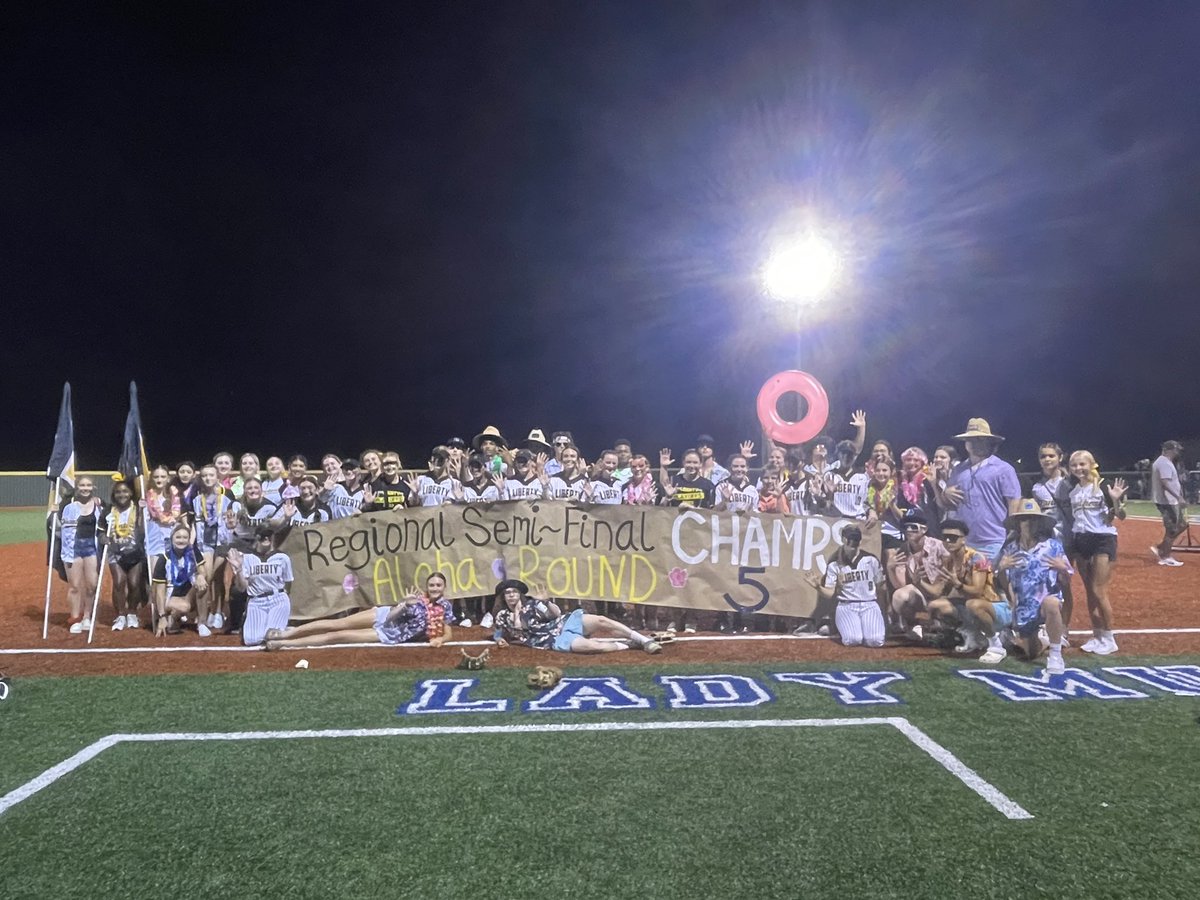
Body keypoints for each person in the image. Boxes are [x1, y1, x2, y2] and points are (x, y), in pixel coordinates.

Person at [265, 573, 455, 650]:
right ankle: (288, 633)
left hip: (389, 634)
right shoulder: (416, 598)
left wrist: (440, 639)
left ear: (444, 587)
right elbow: (389, 616)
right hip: (383, 616)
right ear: (427, 586)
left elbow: (448, 632)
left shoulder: (445, 606)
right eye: (432, 585)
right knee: (336, 623)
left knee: (338, 636)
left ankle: (282, 643)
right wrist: (404, 604)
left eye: (438, 585)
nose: (435, 588)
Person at [995, 499, 1073, 675]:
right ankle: (1043, 640)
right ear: (1018, 524)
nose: (1028, 523)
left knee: (1051, 604)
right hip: (1023, 607)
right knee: (1029, 653)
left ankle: (1055, 654)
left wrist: (1063, 570)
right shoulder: (1010, 549)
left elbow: (1066, 582)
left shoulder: (1053, 546)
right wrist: (1001, 569)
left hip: (1045, 603)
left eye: (1033, 519)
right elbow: (1002, 580)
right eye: (1024, 519)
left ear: (1039, 522)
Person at [492, 579, 661, 654]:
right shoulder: (503, 615)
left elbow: (555, 614)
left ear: (520, 594)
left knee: (601, 620)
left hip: (564, 623)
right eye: (507, 593)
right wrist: (499, 638)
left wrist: (547, 601)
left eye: (514, 592)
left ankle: (644, 640)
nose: (511, 595)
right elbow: (498, 632)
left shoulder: (532, 604)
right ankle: (630, 645)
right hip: (551, 641)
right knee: (593, 647)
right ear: (503, 597)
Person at [925, 518, 1009, 663]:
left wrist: (957, 584)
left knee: (973, 604)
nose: (948, 541)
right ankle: (973, 636)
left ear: (963, 539)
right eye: (945, 537)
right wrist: (918, 582)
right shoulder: (948, 561)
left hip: (994, 607)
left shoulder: (977, 558)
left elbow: (977, 591)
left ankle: (996, 645)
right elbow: (937, 592)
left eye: (953, 538)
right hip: (972, 606)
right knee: (934, 606)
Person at [1068, 450, 1127, 656]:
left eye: (1082, 464)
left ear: (1092, 464)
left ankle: (1110, 637)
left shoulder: (1104, 486)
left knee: (1098, 590)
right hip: (1081, 540)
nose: (1078, 468)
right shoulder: (1073, 490)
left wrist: (1116, 500)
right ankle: (1097, 634)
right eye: (1074, 465)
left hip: (1102, 539)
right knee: (1089, 591)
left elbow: (1121, 516)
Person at [941, 418, 1021, 564]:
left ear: (989, 442)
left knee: (996, 583)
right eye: (972, 440)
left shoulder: (1004, 469)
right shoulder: (958, 471)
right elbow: (946, 504)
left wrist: (1012, 535)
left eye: (981, 439)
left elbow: (1014, 503)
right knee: (968, 584)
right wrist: (945, 493)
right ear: (966, 443)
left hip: (995, 540)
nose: (976, 443)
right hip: (965, 541)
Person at [803, 525, 886, 648]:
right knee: (852, 640)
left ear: (859, 540)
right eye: (849, 539)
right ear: (843, 539)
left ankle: (865, 627)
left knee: (875, 641)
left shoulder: (871, 560)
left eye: (855, 539)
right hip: (847, 605)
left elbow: (881, 587)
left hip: (869, 604)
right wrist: (818, 587)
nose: (852, 543)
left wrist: (882, 613)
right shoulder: (834, 564)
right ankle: (843, 626)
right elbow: (830, 594)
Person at [1029, 443, 1076, 640]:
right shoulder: (1037, 488)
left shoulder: (1070, 484)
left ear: (1060, 458)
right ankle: (1047, 625)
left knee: (1064, 583)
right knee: (1046, 585)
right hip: (1047, 543)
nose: (1047, 460)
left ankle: (1064, 627)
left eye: (1051, 456)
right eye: (1043, 456)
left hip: (1067, 541)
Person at [190, 463, 239, 633]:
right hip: (205, 542)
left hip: (223, 541)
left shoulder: (228, 495)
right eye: (204, 476)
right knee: (206, 577)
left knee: (218, 577)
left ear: (217, 477)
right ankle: (202, 621)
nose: (208, 478)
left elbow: (233, 520)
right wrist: (192, 544)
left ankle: (217, 612)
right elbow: (194, 523)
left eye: (211, 475)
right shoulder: (196, 498)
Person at [887, 513, 950, 641]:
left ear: (924, 530)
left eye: (913, 527)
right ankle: (916, 625)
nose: (909, 530)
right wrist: (890, 569)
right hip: (921, 594)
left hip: (944, 593)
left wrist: (920, 583)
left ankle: (942, 624)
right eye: (906, 527)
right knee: (899, 596)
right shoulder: (903, 549)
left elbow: (942, 586)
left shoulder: (939, 547)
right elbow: (900, 586)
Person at [227, 528, 294, 646]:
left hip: (277, 599)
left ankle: (284, 629)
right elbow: (242, 588)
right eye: (263, 536)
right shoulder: (247, 558)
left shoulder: (282, 557)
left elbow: (288, 584)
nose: (266, 539)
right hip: (256, 601)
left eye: (268, 535)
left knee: (272, 638)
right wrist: (239, 570)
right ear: (256, 537)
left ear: (273, 537)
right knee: (251, 640)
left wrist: (283, 600)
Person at [59, 476, 107, 634]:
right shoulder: (68, 506)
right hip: (73, 549)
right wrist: (53, 514)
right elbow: (58, 527)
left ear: (93, 487)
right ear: (77, 487)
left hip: (91, 548)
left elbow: (108, 523)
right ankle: (75, 618)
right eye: (82, 485)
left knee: (92, 584)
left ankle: (87, 616)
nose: (85, 488)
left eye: (88, 485)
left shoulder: (100, 506)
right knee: (74, 586)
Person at [152, 524, 210, 637]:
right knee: (184, 607)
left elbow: (203, 571)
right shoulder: (164, 559)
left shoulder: (193, 552)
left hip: (187, 594)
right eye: (178, 537)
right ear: (172, 538)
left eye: (185, 537)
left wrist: (200, 576)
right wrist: (162, 616)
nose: (181, 540)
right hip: (168, 596)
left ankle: (202, 624)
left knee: (203, 585)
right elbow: (159, 591)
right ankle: (171, 616)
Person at [104, 480, 144, 631]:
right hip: (116, 552)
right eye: (118, 492)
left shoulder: (138, 509)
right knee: (119, 582)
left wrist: (142, 511)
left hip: (135, 552)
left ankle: (132, 612)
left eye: (125, 491)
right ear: (114, 495)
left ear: (131, 493)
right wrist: (103, 537)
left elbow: (143, 528)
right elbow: (101, 529)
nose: (122, 494)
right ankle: (120, 614)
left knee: (134, 583)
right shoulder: (109, 510)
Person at [1151, 440, 1187, 567]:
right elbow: (1165, 483)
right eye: (1176, 450)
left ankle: (1162, 547)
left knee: (1181, 525)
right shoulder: (1163, 463)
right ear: (1170, 450)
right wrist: (1178, 497)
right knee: (1173, 528)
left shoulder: (1165, 462)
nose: (1178, 452)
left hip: (1170, 500)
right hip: (1167, 501)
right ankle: (1164, 556)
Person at [143, 464, 181, 561]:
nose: (159, 480)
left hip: (170, 536)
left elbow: (177, 516)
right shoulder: (146, 497)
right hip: (154, 536)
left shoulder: (173, 497)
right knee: (154, 571)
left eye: (163, 477)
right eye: (156, 477)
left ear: (168, 479)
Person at [826, 440, 870, 520]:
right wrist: (829, 494)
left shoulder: (863, 477)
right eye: (843, 453)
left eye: (850, 454)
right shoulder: (830, 476)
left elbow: (867, 503)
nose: (846, 457)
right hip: (836, 519)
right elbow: (825, 506)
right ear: (838, 454)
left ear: (855, 457)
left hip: (857, 519)